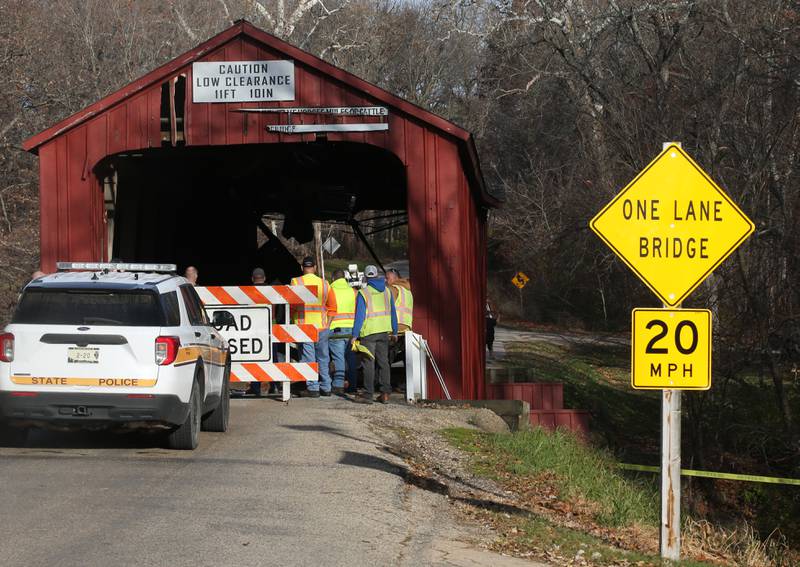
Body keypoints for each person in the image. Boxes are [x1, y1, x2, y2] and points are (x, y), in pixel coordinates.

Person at [350, 265, 397, 404]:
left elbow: (359, 316)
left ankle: (368, 394)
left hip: (369, 333)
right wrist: (394, 331)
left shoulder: (363, 293)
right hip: (383, 332)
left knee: (368, 363)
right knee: (384, 362)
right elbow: (393, 313)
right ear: (377, 276)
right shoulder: (387, 292)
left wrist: (354, 335)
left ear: (365, 277)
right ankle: (385, 393)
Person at [291, 256, 335, 397]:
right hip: (322, 327)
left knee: (308, 358)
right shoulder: (325, 284)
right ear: (315, 268)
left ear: (302, 268)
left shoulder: (296, 282)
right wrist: (327, 324)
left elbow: (291, 306)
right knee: (323, 358)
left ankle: (313, 388)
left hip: (304, 327)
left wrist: (292, 322)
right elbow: (333, 307)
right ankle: (326, 387)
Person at [328, 269, 358, 394]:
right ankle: (352, 385)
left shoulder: (330, 291)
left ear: (333, 278)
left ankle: (338, 384)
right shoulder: (353, 292)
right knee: (351, 357)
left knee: (338, 357)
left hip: (336, 329)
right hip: (351, 330)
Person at [246, 267, 268, 397]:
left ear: (252, 279)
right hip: (270, 328)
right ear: (264, 278)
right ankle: (273, 385)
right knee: (271, 358)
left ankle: (255, 386)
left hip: (253, 328)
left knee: (254, 356)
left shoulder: (249, 292)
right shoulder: (271, 291)